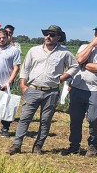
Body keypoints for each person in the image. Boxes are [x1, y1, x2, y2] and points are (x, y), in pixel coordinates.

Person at [7, 25, 79, 155]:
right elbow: (25, 68)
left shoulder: (64, 52)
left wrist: (62, 78)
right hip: (33, 89)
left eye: (52, 35)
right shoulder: (34, 50)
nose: (48, 37)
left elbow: (74, 67)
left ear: (58, 37)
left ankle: (38, 146)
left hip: (51, 91)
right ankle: (17, 145)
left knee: (45, 121)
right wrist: (23, 85)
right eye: (46, 34)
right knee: (24, 118)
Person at [64, 23, 97, 156]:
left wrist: (82, 63)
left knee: (94, 118)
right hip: (78, 87)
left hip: (96, 89)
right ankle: (74, 145)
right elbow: (79, 59)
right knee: (75, 118)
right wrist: (92, 45)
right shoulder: (84, 46)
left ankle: (93, 144)